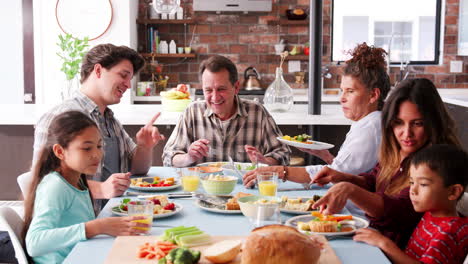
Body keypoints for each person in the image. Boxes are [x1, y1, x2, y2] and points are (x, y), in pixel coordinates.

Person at [310, 78, 462, 248]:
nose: (406, 133)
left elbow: (398, 211)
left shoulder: (435, 162)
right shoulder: (398, 150)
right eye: (398, 123)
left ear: (433, 123)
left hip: (395, 252)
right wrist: (342, 177)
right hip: (374, 241)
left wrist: (349, 189)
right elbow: (374, 180)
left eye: (417, 124)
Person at [243, 43, 390, 189]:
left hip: (352, 208)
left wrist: (278, 171)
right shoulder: (369, 122)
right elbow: (347, 172)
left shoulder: (371, 127)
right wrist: (326, 156)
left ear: (373, 95)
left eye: (350, 91)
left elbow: (334, 174)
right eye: (342, 91)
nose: (342, 98)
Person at [33, 44, 165, 200]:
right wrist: (100, 190)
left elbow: (137, 170)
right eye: (123, 75)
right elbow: (43, 181)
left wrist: (144, 147)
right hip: (81, 222)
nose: (128, 85)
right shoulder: (61, 116)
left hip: (114, 213)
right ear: (98, 70)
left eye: (130, 79)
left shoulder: (110, 121)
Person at [24, 111, 150, 264]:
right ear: (59, 151)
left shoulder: (78, 180)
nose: (97, 154)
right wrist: (96, 227)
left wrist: (105, 226)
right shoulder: (55, 187)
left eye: (99, 146)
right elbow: (34, 243)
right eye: (87, 148)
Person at [163, 55, 290, 167]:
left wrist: (264, 161)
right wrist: (188, 158)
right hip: (202, 190)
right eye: (208, 90)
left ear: (236, 87)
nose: (214, 97)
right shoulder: (192, 112)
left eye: (221, 89)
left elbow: (283, 154)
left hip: (246, 190)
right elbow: (168, 157)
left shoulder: (257, 112)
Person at [354, 144, 468, 264]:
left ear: (453, 191)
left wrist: (384, 243)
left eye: (423, 184)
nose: (412, 191)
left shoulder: (449, 231)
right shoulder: (431, 213)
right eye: (411, 182)